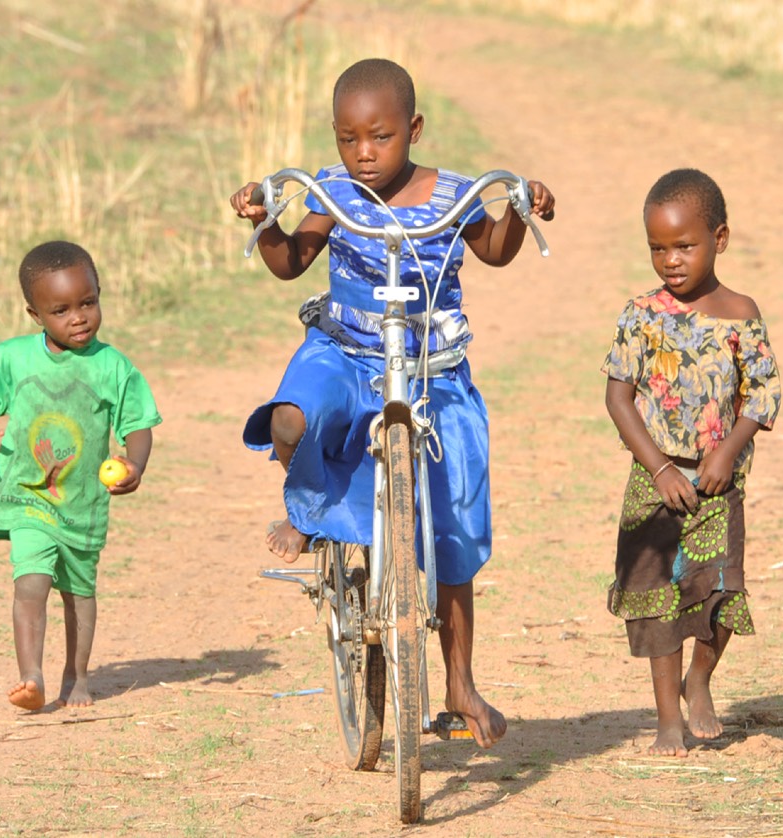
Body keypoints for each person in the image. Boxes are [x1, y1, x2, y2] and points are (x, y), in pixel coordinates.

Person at [229, 57, 555, 748]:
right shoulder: (332, 192)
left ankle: (460, 681)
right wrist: (266, 223)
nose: (363, 153)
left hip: (432, 372)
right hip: (345, 357)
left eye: (378, 136)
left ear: (411, 128)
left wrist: (519, 210)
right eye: (348, 139)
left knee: (454, 533)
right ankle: (312, 506)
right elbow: (291, 261)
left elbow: (495, 250)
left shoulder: (455, 195)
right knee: (293, 416)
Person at [602, 169, 781, 756]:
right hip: (656, 480)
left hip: (715, 481)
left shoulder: (740, 312)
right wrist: (658, 467)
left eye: (685, 245)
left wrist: (727, 452)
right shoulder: (640, 314)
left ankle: (699, 679)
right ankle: (666, 723)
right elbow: (618, 397)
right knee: (657, 602)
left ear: (720, 238)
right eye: (658, 248)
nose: (670, 260)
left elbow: (762, 393)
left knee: (722, 594)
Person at [0, 240, 161, 711]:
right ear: (35, 315)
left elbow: (138, 423)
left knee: (79, 593)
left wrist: (136, 464)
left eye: (88, 303)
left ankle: (77, 674)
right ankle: (31, 676)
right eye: (61, 310)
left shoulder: (114, 367)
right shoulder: (15, 358)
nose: (79, 318)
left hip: (83, 502)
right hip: (30, 497)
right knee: (31, 580)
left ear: (99, 294)